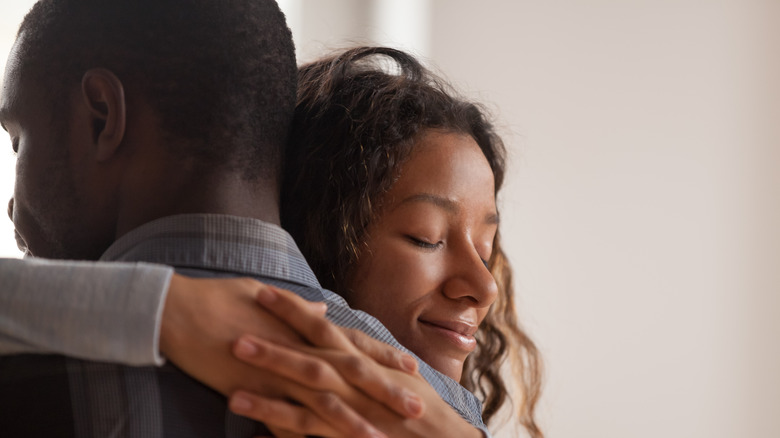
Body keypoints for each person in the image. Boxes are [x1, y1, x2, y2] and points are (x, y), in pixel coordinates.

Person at [0, 1, 489, 437]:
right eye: (426, 238)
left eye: (20, 141)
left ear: (102, 118)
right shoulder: (437, 412)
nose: (11, 207)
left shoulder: (25, 365)